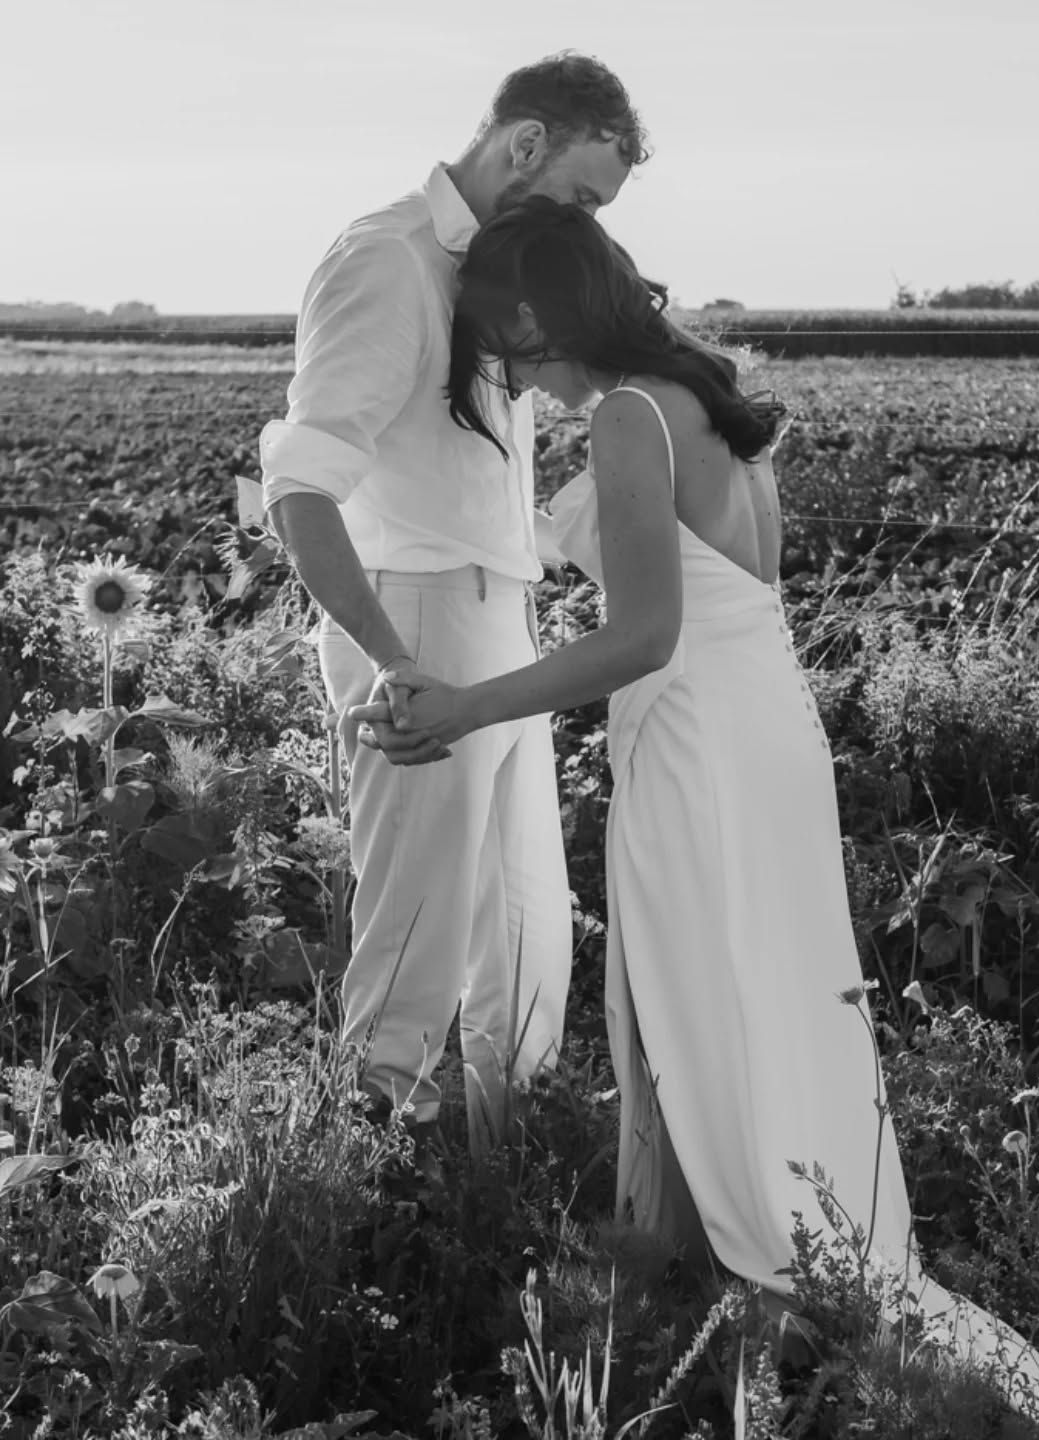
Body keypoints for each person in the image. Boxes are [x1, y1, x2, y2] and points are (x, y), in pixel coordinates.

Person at [348, 200, 1039, 1440]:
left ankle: (712, 1298)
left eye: (509, 342)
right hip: (765, 730)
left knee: (692, 1011)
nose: (511, 371)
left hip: (697, 742)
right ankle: (713, 1295)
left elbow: (647, 633)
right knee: (750, 1004)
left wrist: (469, 708)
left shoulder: (629, 421)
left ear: (545, 315)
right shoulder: (708, 397)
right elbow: (735, 597)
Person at [258, 55, 646, 1159]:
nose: (585, 225)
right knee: (416, 939)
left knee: (521, 938)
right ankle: (363, 1189)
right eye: (580, 194)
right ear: (523, 145)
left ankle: (487, 1178)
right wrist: (390, 661)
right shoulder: (388, 261)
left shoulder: (501, 272)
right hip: (415, 620)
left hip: (499, 621)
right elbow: (300, 487)